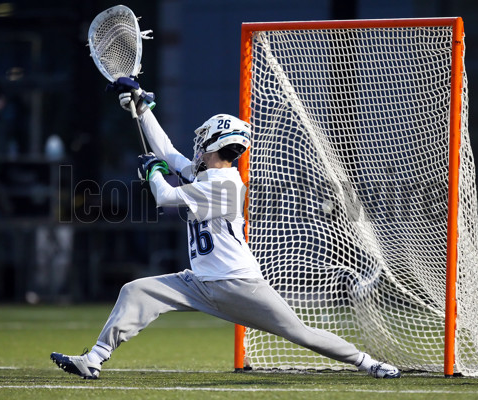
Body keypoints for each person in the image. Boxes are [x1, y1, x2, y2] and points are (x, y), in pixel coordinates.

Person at [50, 81, 401, 380]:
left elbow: (165, 196)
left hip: (238, 284)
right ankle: (92, 361)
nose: (198, 144)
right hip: (200, 281)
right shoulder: (205, 175)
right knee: (137, 291)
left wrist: (152, 173)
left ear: (216, 144)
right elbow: (168, 153)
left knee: (300, 334)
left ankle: (369, 363)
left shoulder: (224, 185)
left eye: (204, 139)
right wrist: (142, 107)